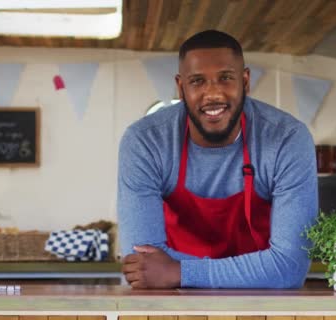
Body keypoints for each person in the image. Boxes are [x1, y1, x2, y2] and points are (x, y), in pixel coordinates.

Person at [117, 30, 318, 289]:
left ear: (245, 81)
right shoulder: (146, 141)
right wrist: (258, 270)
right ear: (180, 88)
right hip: (174, 305)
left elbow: (289, 268)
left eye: (225, 78)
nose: (213, 94)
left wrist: (178, 271)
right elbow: (144, 264)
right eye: (198, 81)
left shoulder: (286, 138)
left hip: (260, 307)